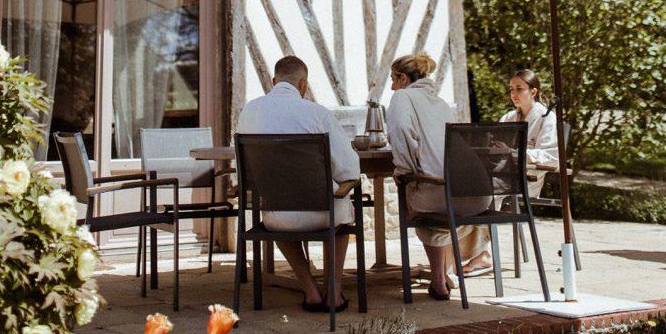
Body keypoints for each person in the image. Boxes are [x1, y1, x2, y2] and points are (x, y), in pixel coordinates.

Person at [236, 55, 360, 312]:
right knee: (343, 212)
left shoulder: (249, 111)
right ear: (303, 84)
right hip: (322, 213)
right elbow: (348, 169)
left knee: (279, 215)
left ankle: (310, 290)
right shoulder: (317, 113)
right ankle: (334, 293)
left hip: (276, 216)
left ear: (274, 81)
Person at [385, 52, 491, 300]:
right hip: (479, 195)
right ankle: (442, 277)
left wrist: (405, 171)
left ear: (403, 78)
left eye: (392, 79)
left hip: (444, 195)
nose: (391, 87)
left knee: (418, 202)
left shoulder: (402, 97)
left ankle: (438, 278)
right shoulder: (442, 103)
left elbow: (401, 132)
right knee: (434, 201)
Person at [460, 69, 560, 277]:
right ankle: (475, 250)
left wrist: (513, 152)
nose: (514, 94)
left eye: (519, 89)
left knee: (486, 194)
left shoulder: (546, 118)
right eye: (511, 89)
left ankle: (485, 253)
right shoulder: (508, 117)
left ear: (533, 92)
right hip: (502, 174)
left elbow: (551, 157)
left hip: (528, 178)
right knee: (469, 189)